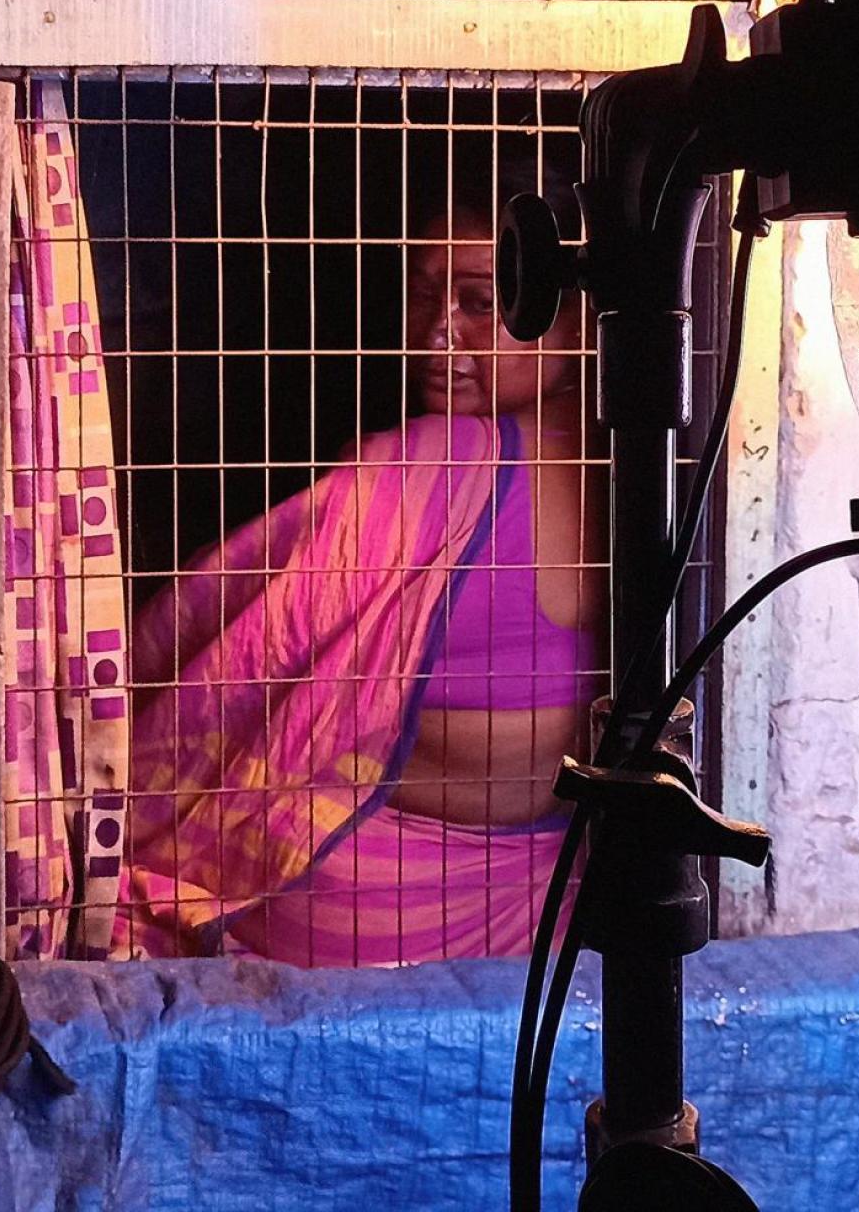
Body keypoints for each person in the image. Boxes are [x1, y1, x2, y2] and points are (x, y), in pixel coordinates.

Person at [117, 197, 607, 966]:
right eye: (423, 294)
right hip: (545, 939)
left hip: (359, 914)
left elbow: (199, 629)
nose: (437, 333)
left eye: (482, 302)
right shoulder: (646, 476)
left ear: (576, 320)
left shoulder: (427, 473)